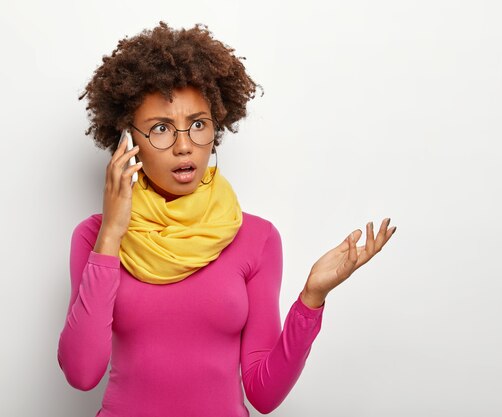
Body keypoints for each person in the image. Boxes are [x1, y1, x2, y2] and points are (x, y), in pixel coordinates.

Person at [57, 21, 396, 417]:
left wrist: (311, 299)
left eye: (198, 125)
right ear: (127, 142)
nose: (184, 147)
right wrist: (113, 234)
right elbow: (82, 373)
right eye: (161, 129)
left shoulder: (258, 238)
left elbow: (263, 394)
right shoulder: (94, 237)